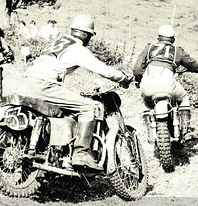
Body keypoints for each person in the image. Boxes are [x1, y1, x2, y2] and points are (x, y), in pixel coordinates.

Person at [18, 15, 132, 171]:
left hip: (27, 81)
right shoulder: (77, 48)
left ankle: (56, 151)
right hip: (44, 84)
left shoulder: (57, 42)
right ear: (86, 35)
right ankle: (82, 154)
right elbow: (100, 68)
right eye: (90, 36)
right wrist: (122, 78)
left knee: (65, 110)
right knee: (89, 108)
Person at [132, 24, 198, 142]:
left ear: (158, 38)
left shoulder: (149, 48)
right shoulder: (177, 51)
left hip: (147, 84)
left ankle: (149, 129)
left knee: (146, 105)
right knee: (184, 97)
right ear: (173, 39)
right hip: (167, 85)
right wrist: (194, 68)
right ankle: (185, 131)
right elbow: (196, 66)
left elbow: (137, 69)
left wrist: (140, 81)